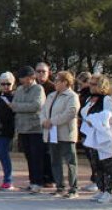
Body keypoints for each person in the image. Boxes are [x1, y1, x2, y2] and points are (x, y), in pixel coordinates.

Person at [79, 74, 112, 204]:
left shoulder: (106, 99)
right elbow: (84, 113)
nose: (90, 86)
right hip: (91, 136)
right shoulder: (89, 99)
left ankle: (108, 192)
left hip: (104, 137)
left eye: (94, 84)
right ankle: (101, 189)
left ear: (101, 86)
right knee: (96, 165)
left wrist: (97, 120)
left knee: (106, 164)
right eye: (90, 83)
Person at [42, 70, 80, 198]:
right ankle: (59, 187)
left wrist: (52, 121)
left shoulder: (72, 96)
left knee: (70, 162)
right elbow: (44, 111)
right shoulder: (51, 96)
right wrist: (44, 121)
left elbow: (70, 113)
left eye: (58, 80)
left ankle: (73, 188)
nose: (55, 82)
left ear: (65, 82)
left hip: (66, 134)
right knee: (55, 160)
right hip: (52, 134)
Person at [10, 65, 46, 193]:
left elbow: (36, 106)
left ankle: (38, 182)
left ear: (31, 77)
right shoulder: (19, 89)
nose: (21, 80)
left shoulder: (38, 89)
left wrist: (18, 107)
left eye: (24, 77)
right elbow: (13, 104)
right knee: (28, 156)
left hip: (35, 128)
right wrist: (19, 106)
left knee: (37, 156)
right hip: (22, 127)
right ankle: (32, 181)